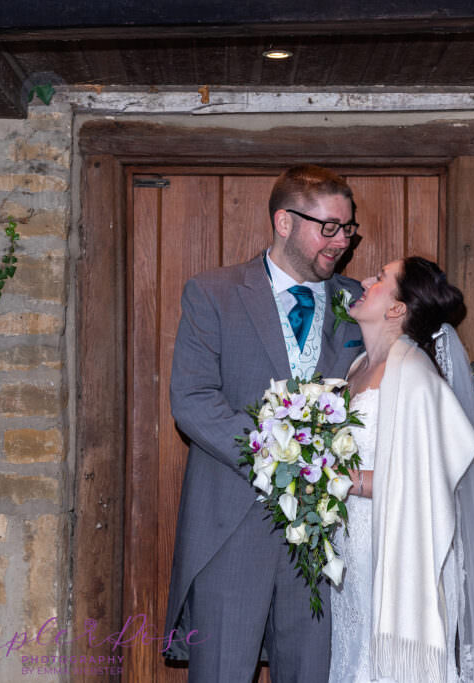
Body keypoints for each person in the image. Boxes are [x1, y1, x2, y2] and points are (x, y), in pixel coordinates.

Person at [163, 165, 365, 682]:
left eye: (348, 229)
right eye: (330, 227)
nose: (341, 241)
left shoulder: (358, 304)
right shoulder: (214, 293)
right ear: (284, 221)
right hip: (231, 525)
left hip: (327, 537)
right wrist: (284, 457)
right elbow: (192, 399)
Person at [330, 256, 474, 683]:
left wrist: (342, 480)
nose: (366, 280)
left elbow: (428, 485)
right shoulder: (355, 370)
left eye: (381, 278)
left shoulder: (415, 376)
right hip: (354, 551)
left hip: (400, 548)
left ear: (397, 309)